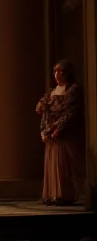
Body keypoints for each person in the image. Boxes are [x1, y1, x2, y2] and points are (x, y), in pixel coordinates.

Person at [37, 59, 83, 205]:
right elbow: (42, 109)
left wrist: (58, 128)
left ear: (67, 73)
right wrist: (44, 130)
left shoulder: (72, 89)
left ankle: (64, 195)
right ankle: (52, 194)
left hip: (64, 133)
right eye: (55, 71)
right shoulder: (51, 91)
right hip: (51, 132)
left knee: (63, 164)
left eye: (60, 71)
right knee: (51, 163)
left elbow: (69, 113)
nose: (57, 74)